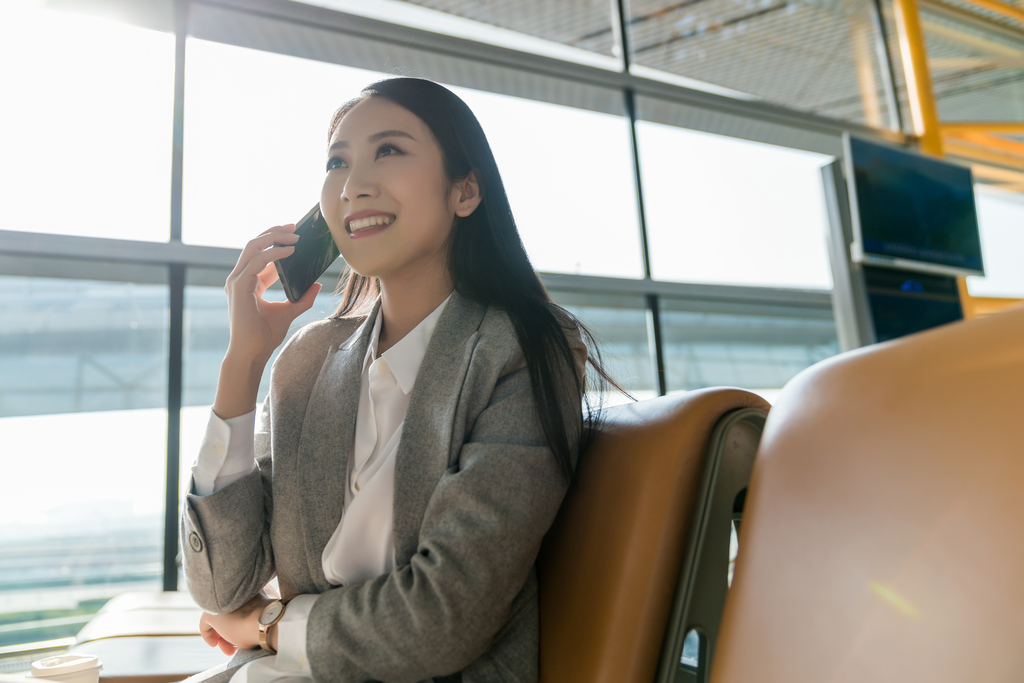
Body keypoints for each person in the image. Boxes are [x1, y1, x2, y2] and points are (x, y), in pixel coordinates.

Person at [180, 77, 616, 683]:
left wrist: (270, 625)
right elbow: (220, 586)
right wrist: (243, 365)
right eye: (338, 162)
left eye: (389, 150)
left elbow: (441, 619)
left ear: (465, 191)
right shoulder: (306, 363)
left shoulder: (518, 351)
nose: (354, 185)